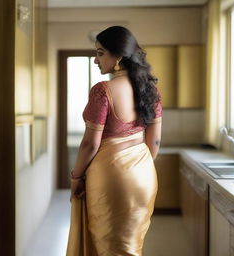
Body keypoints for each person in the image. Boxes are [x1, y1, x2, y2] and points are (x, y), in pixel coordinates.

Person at [66, 26, 162, 256]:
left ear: (118, 56)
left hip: (111, 178)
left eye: (100, 53)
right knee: (132, 247)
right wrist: (138, 167)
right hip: (144, 175)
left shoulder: (103, 91)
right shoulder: (150, 90)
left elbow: (90, 144)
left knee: (110, 247)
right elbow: (155, 143)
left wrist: (76, 177)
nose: (95, 60)